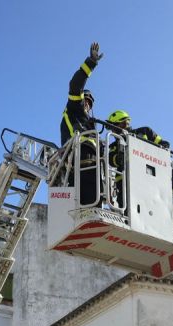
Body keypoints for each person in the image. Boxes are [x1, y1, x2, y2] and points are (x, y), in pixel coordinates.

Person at [60, 42, 103, 205]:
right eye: (86, 100)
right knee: (79, 207)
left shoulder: (90, 122)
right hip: (76, 159)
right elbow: (75, 84)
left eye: (90, 103)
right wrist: (91, 63)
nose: (87, 105)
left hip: (93, 165)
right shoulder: (74, 108)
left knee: (94, 208)